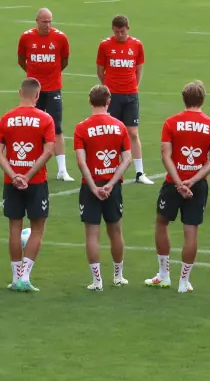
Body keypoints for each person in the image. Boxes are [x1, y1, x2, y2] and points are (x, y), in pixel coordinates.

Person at [145, 81, 210, 293]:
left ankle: (164, 274)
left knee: (162, 222)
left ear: (183, 99)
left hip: (172, 184)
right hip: (198, 186)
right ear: (203, 100)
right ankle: (184, 281)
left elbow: (165, 155)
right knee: (191, 230)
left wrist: (179, 182)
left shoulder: (171, 123)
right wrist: (193, 181)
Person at [0, 78, 55, 292]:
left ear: (20, 92)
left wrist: (14, 174)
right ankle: (25, 278)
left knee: (14, 229)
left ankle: (14, 277)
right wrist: (27, 176)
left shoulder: (6, 118)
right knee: (37, 230)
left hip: (12, 182)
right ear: (37, 95)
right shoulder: (45, 119)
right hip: (36, 182)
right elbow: (48, 151)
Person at [74, 84, 133, 290]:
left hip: (90, 186)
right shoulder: (120, 126)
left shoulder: (82, 127)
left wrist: (93, 186)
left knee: (92, 234)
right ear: (109, 102)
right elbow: (127, 159)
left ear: (90, 101)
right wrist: (110, 184)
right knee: (115, 231)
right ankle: (118, 276)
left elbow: (81, 162)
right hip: (113, 186)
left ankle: (97, 281)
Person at [17, 8, 73, 181]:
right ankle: (30, 164)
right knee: (33, 127)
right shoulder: (26, 37)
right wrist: (34, 77)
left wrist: (53, 75)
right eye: (44, 21)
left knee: (56, 128)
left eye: (50, 21)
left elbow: (64, 61)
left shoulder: (60, 38)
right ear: (37, 21)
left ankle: (62, 170)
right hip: (34, 91)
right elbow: (21, 59)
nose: (47, 25)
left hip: (53, 88)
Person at [96, 15, 151, 185]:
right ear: (112, 29)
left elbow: (139, 68)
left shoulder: (136, 45)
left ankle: (140, 172)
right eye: (117, 31)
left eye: (123, 31)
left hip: (131, 95)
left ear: (128, 28)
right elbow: (100, 70)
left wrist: (134, 86)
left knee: (133, 132)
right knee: (112, 133)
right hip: (113, 96)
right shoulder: (105, 45)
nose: (120, 34)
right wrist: (108, 88)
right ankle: (109, 169)